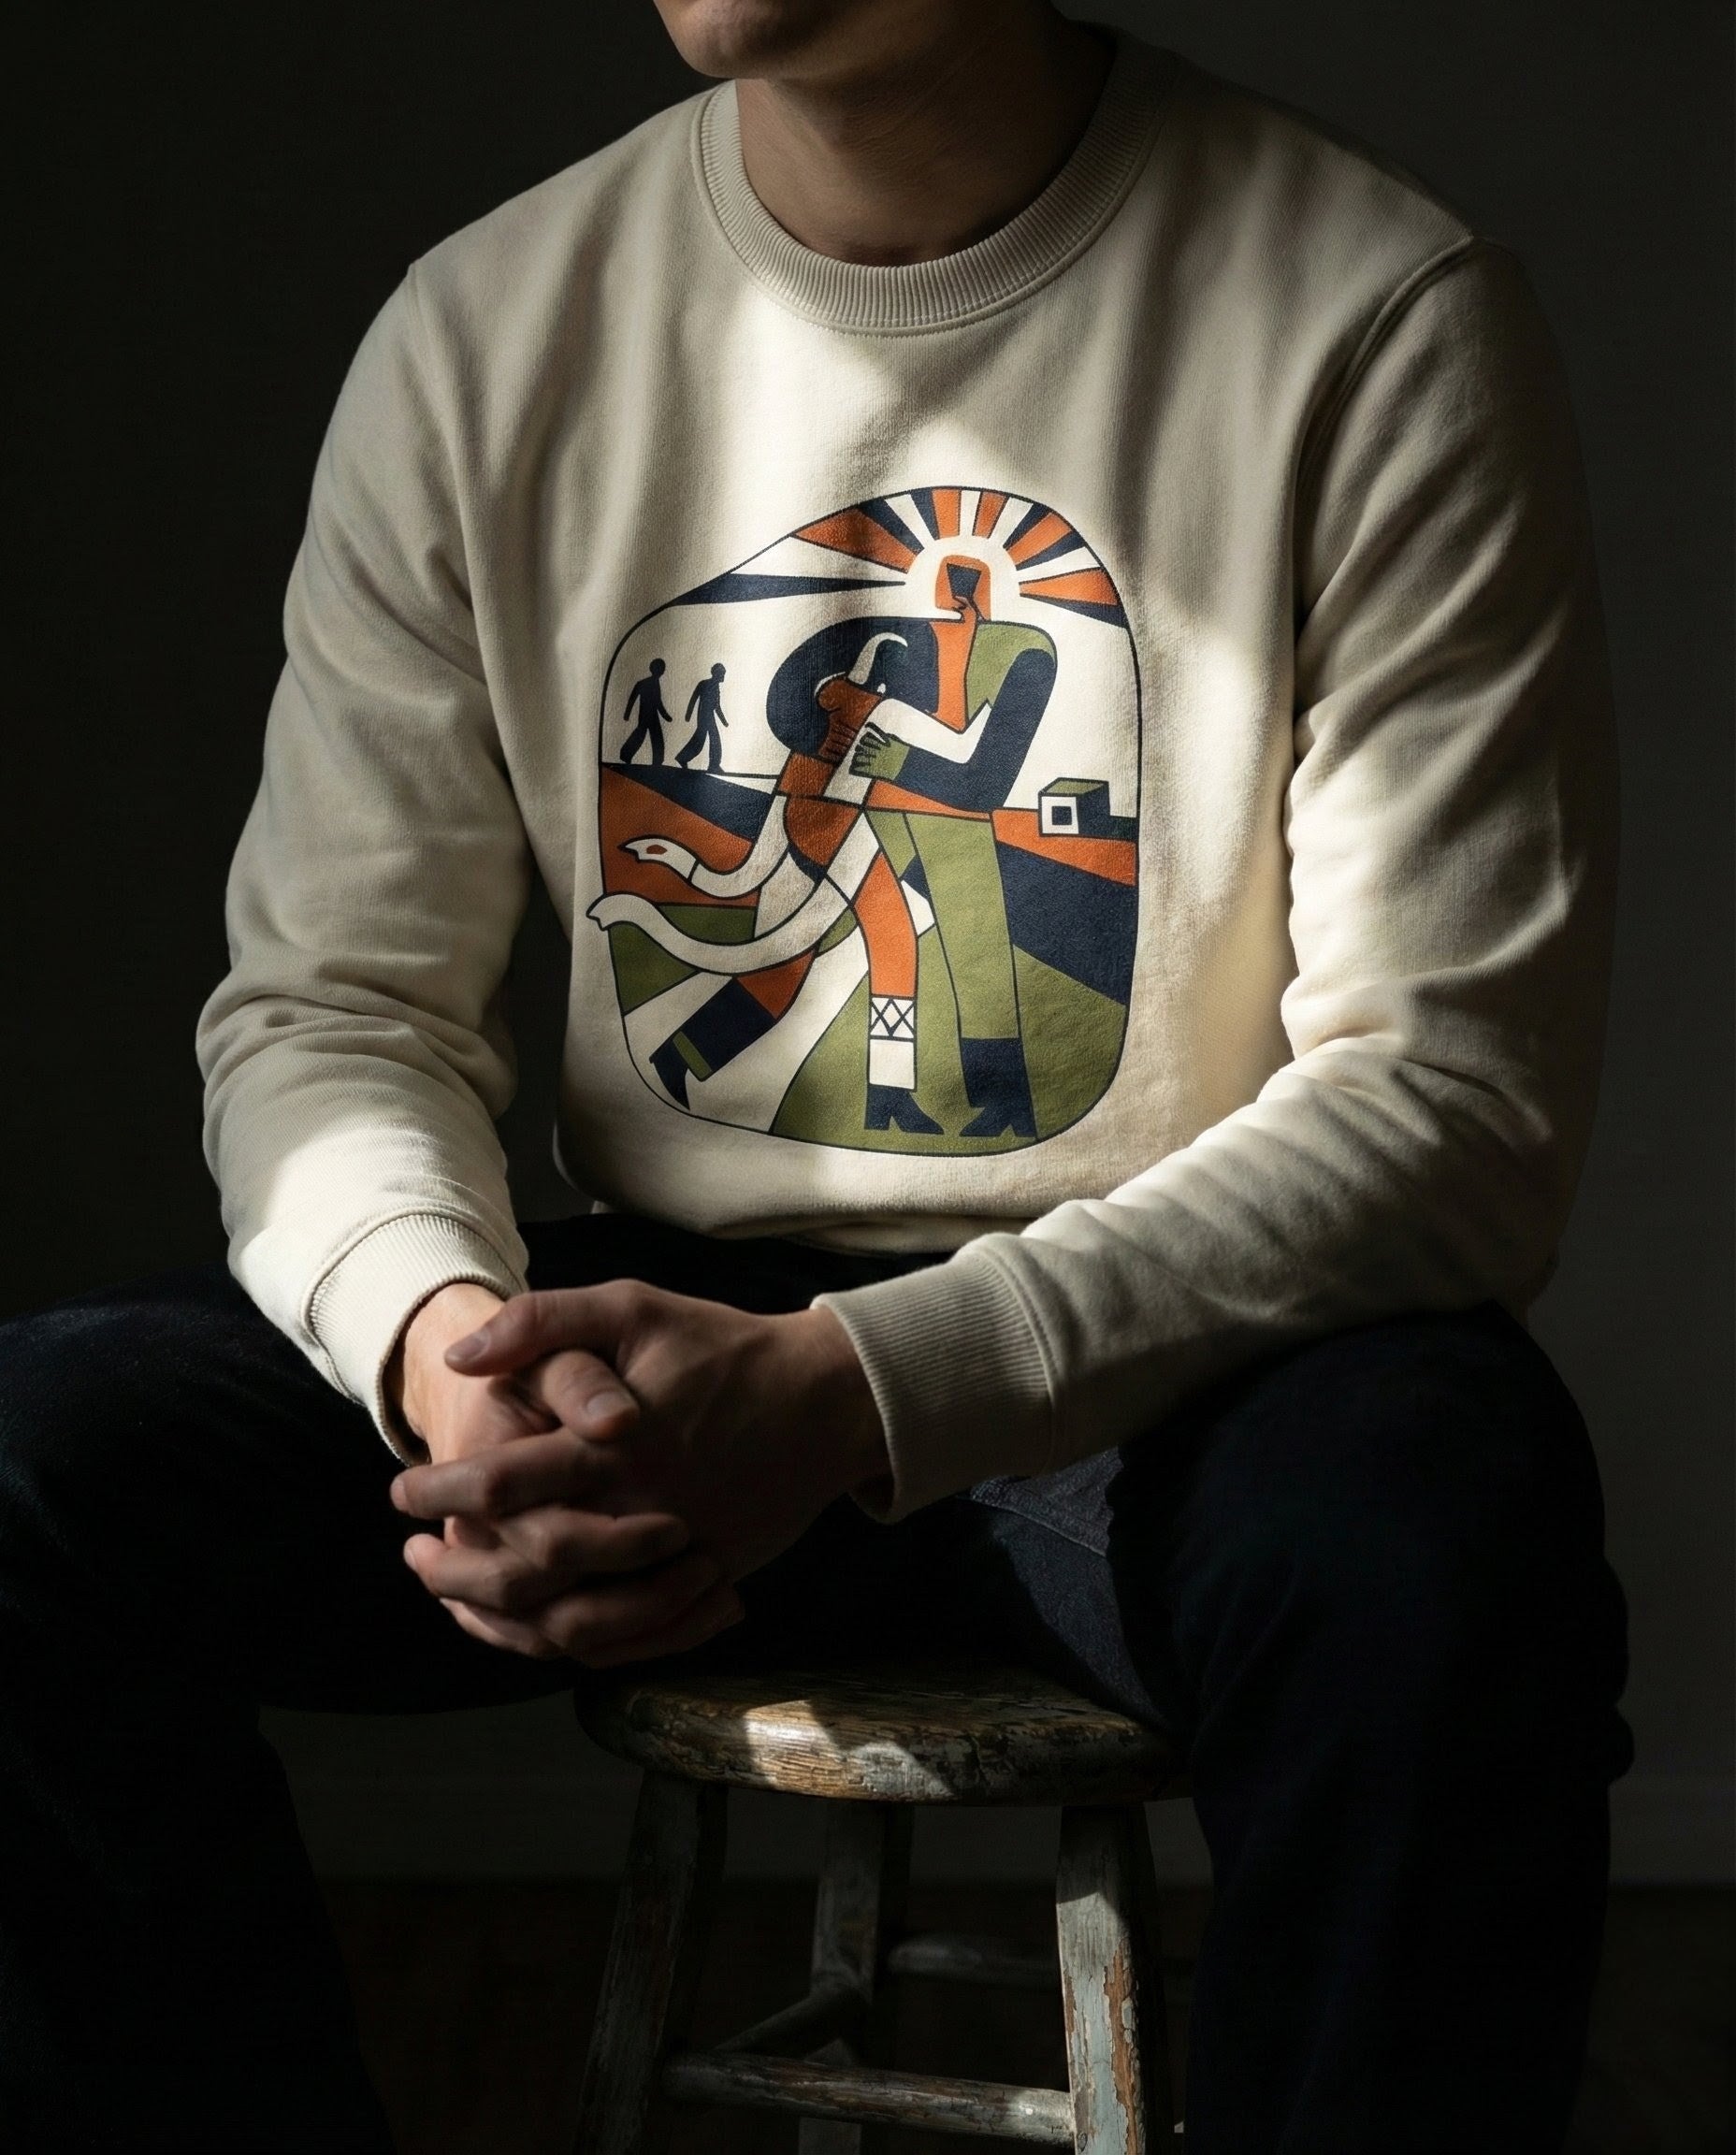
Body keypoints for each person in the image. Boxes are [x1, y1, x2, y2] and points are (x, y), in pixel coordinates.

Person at [0, 2, 1632, 2150]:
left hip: (1165, 1356)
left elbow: (1450, 1102)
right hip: (655, 1331)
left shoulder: (1367, 310)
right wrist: (446, 1346)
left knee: (1444, 1542)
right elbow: (333, 1005)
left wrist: (857, 1393)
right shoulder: (486, 330)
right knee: (21, 1463)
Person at [674, 658, 730, 770]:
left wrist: (724, 721)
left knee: (708, 739)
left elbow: (717, 706)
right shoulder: (704, 684)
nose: (723, 676)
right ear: (716, 673)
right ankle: (710, 764)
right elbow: (694, 698)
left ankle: (712, 764)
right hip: (704, 716)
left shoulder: (716, 688)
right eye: (722, 674)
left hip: (709, 716)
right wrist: (688, 714)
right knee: (703, 740)